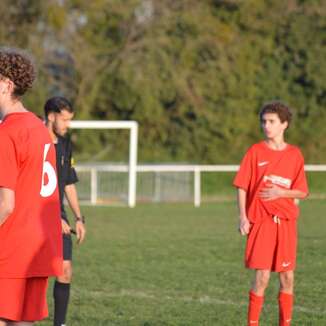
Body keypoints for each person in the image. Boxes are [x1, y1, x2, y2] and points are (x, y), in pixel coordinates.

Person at [0, 48, 62, 325]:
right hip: (39, 247)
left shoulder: (7, 132)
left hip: (10, 249)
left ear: (6, 84)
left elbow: (5, 204)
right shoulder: (39, 128)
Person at [233, 102, 308, 326]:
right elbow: (242, 186)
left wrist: (281, 192)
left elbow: (302, 191)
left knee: (287, 277)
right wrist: (243, 217)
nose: (266, 126)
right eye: (264, 121)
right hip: (261, 223)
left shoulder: (295, 154)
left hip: (285, 223)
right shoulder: (255, 152)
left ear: (284, 124)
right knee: (262, 277)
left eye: (272, 121)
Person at [44, 96, 86, 326]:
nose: (67, 125)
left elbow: (68, 182)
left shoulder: (66, 145)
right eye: (65, 120)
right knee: (35, 276)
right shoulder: (34, 141)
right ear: (51, 116)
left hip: (58, 217)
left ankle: (59, 324)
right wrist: (51, 218)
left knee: (65, 271)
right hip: (35, 217)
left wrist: (79, 218)